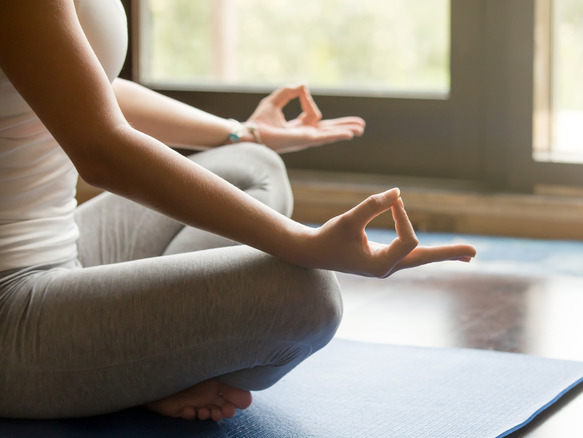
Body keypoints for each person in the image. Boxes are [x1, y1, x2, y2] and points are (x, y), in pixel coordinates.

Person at [0, 0, 476, 422]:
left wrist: (245, 132)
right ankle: (141, 369)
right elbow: (99, 149)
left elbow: (86, 88)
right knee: (305, 295)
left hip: (66, 246)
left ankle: (145, 362)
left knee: (253, 166)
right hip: (11, 312)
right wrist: (301, 241)